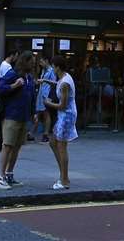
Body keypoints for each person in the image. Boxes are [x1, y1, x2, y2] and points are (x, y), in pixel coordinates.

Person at [0, 52, 35, 189]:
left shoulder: (30, 77)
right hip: (11, 116)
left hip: (23, 117)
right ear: (25, 62)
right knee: (7, 146)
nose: (34, 64)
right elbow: (0, 88)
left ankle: (9, 174)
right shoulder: (13, 74)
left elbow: (31, 97)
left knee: (17, 147)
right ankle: (1, 177)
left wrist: (33, 113)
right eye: (32, 61)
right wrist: (14, 86)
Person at [45, 57, 77, 189]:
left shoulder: (64, 83)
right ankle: (63, 175)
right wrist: (46, 81)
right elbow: (57, 84)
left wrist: (48, 103)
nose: (52, 68)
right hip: (63, 116)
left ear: (57, 67)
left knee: (62, 147)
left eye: (53, 66)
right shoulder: (64, 78)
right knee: (53, 142)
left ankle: (64, 180)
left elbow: (62, 105)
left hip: (66, 116)